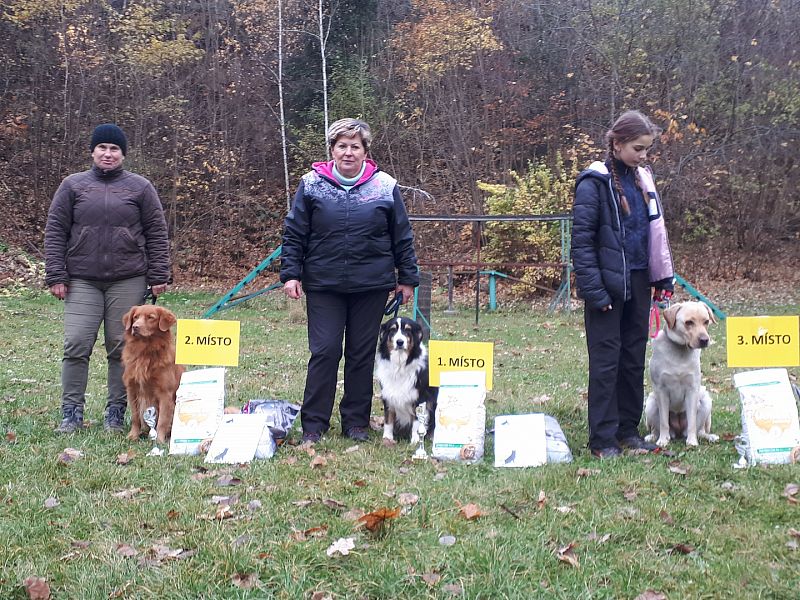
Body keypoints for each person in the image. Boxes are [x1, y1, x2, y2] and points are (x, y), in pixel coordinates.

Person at [280, 118, 419, 444]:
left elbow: (402, 235)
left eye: (354, 146)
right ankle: (313, 425)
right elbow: (295, 232)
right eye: (341, 145)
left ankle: (355, 423)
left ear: (365, 151)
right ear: (331, 150)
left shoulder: (385, 185)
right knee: (325, 351)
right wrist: (290, 273)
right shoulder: (311, 184)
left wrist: (407, 278)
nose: (348, 152)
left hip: (370, 285)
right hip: (324, 284)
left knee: (360, 353)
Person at [45, 123, 171, 434]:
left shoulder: (140, 187)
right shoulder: (72, 186)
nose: (108, 153)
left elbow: (157, 232)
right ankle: (71, 412)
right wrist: (56, 274)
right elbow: (55, 230)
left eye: (114, 149)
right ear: (92, 151)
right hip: (82, 279)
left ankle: (118, 412)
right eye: (102, 147)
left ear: (123, 154)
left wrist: (159, 274)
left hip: (128, 278)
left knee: (121, 346)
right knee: (76, 344)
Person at [571, 110, 674, 459]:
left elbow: (655, 235)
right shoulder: (592, 183)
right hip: (606, 288)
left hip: (640, 280)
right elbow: (582, 244)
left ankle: (627, 431)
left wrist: (662, 278)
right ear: (616, 144)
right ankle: (601, 439)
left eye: (646, 149)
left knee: (632, 359)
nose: (644, 155)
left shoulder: (643, 180)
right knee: (606, 363)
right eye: (637, 148)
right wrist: (595, 292)